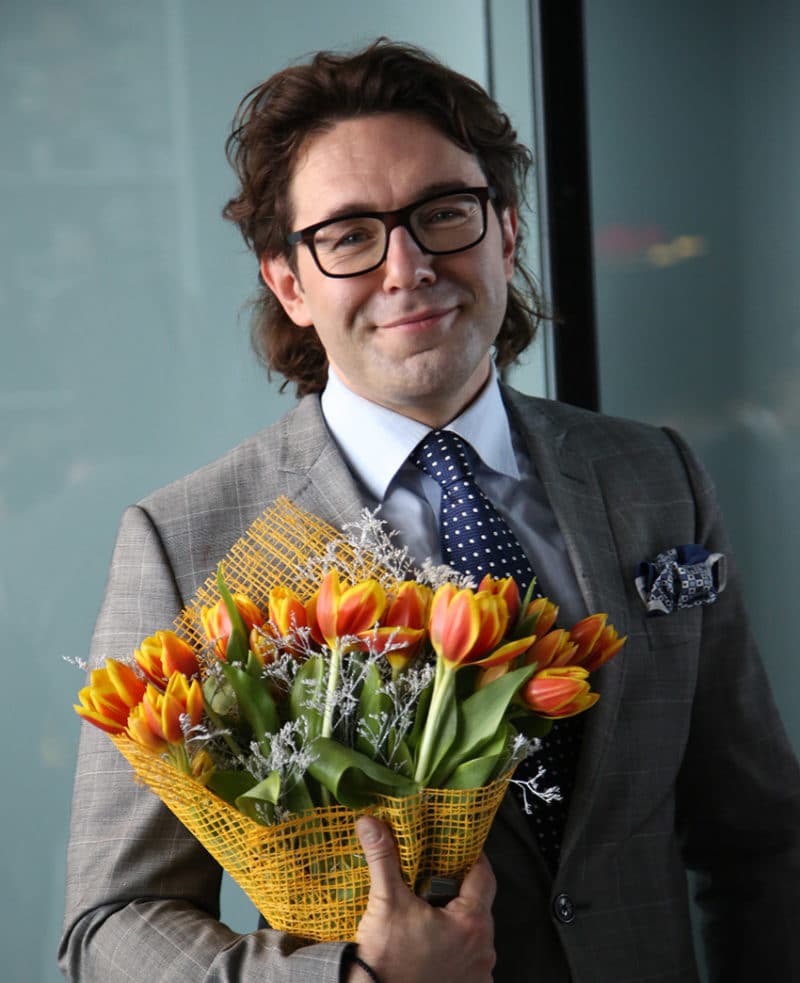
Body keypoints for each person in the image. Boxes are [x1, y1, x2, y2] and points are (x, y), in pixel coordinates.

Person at [59, 39, 800, 983]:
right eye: (349, 235)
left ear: (507, 233)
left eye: (444, 213)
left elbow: (761, 840)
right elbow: (110, 925)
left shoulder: (654, 475)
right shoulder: (185, 543)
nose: (407, 267)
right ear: (288, 282)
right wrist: (349, 976)